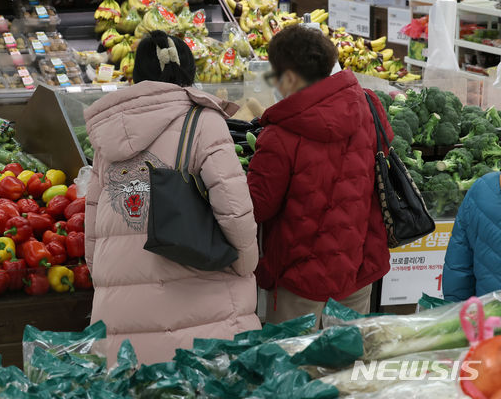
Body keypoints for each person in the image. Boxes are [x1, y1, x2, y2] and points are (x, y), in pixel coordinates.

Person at [83, 30, 260, 365]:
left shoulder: (107, 134)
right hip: (202, 302)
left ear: (137, 76)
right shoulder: (204, 121)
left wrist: (109, 281)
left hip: (122, 309)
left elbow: (92, 220)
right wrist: (244, 264)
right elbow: (235, 210)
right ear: (188, 71)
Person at [246, 26, 392, 327]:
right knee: (344, 366)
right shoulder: (368, 106)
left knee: (293, 367)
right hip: (358, 266)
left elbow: (259, 206)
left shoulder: (280, 134)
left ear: (289, 77)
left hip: (299, 280)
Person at [443, 172, 501, 301]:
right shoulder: (482, 189)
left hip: (489, 312)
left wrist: (456, 310)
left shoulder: (483, 188)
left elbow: (458, 263)